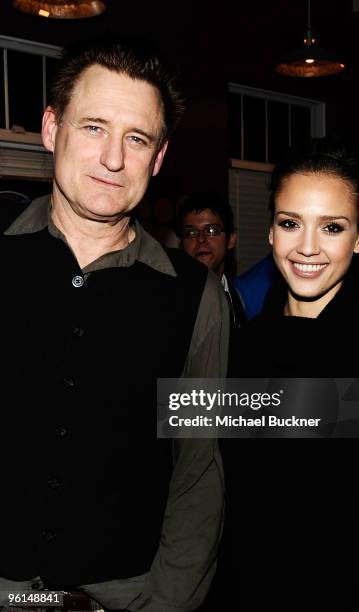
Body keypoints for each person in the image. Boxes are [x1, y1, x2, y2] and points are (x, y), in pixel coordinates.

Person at [0, 37, 228, 612]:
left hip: (127, 595)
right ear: (53, 129)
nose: (113, 159)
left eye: (136, 138)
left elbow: (198, 464)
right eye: (94, 127)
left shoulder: (195, 294)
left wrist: (168, 598)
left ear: (158, 158)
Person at [223, 140, 359, 610]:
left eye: (332, 227)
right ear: (270, 232)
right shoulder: (239, 348)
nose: (307, 247)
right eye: (290, 223)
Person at [176, 191, 246, 329]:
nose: (201, 239)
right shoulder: (172, 300)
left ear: (231, 239)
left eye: (212, 230)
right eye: (191, 232)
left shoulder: (237, 299)